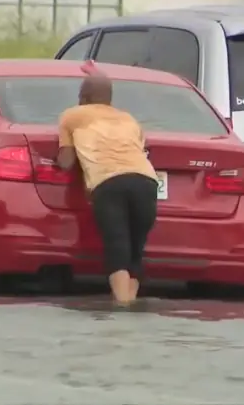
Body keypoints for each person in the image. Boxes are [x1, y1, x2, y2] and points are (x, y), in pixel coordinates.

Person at [56, 64, 159, 306]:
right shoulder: (129, 119)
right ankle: (129, 302)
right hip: (147, 182)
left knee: (117, 247)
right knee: (135, 251)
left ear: (84, 97)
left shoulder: (71, 116)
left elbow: (67, 161)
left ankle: (122, 310)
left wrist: (58, 156)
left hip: (109, 181)